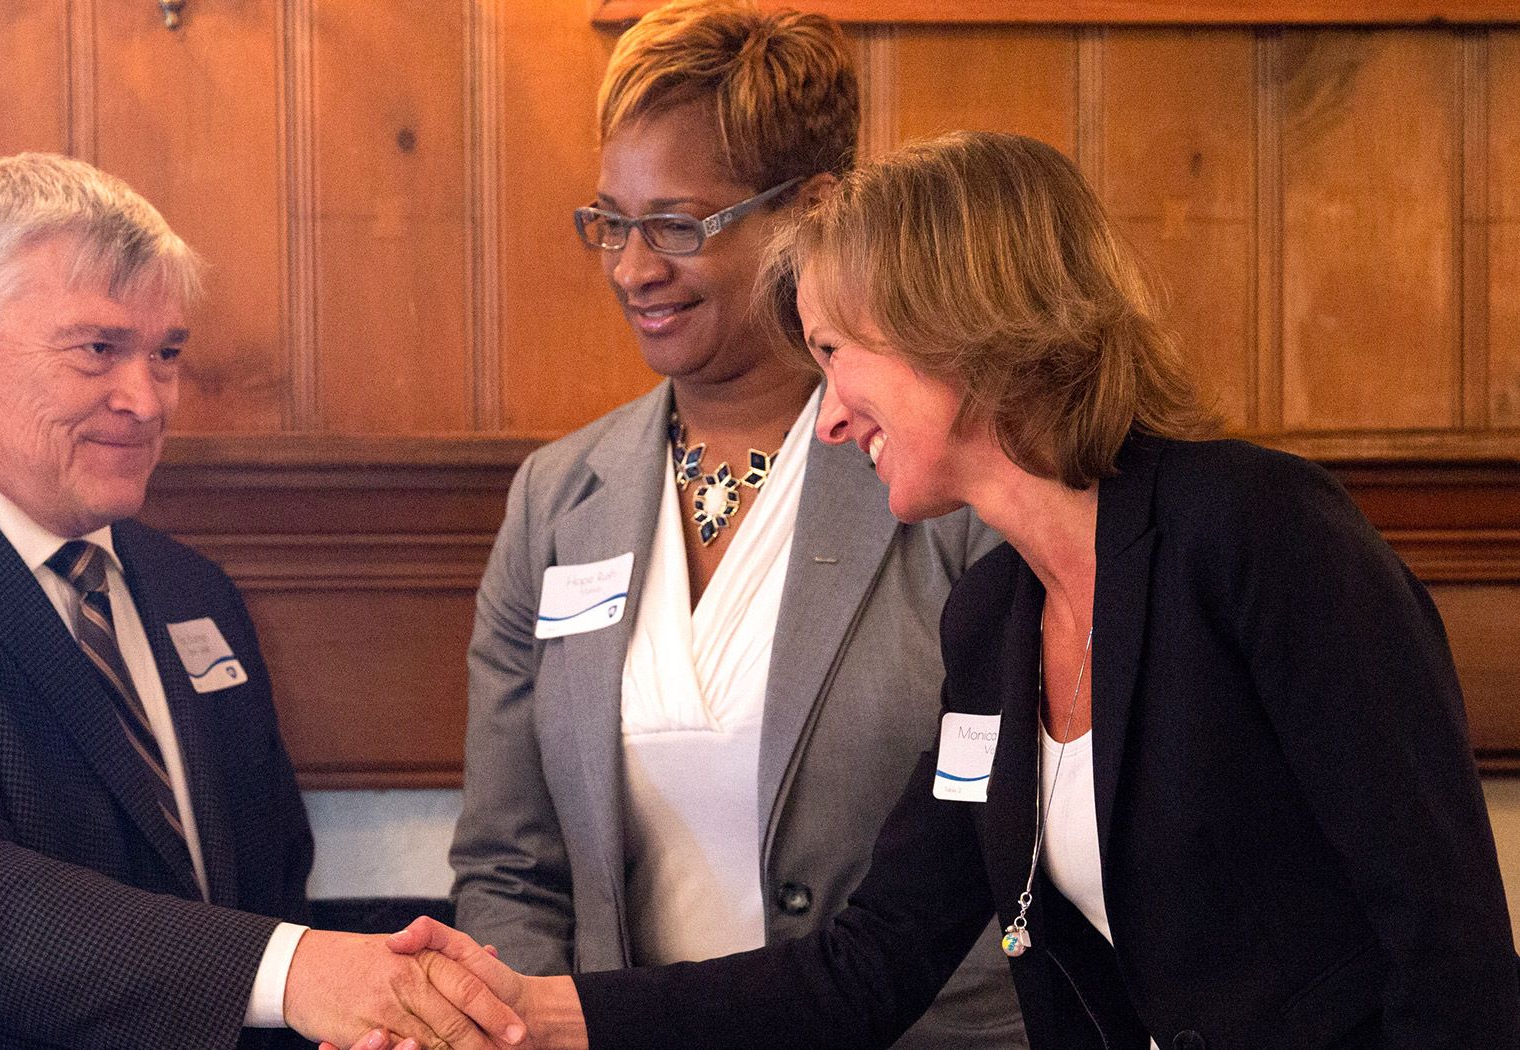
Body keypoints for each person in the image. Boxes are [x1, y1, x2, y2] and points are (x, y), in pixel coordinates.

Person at [377, 131, 1520, 1049]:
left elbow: (1450, 948)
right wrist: (540, 1013)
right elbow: (870, 965)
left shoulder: (1259, 535)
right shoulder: (995, 622)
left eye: (837, 355)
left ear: (957, 332)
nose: (826, 416)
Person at [0, 153, 523, 1050]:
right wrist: (301, 972)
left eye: (165, 353)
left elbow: (263, 877)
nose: (145, 399)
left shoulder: (190, 590)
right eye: (98, 349)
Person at [447, 4, 1024, 1047]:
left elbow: (1007, 848)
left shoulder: (947, 482)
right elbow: (509, 865)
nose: (632, 269)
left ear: (812, 209)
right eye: (610, 223)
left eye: (678, 225)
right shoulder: (554, 500)